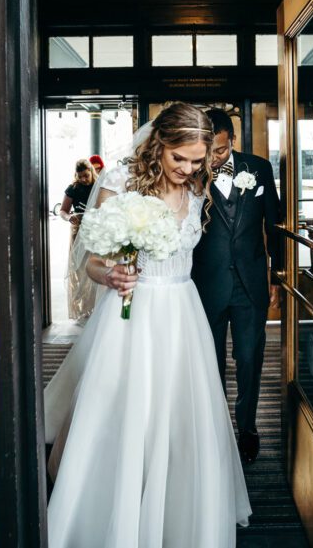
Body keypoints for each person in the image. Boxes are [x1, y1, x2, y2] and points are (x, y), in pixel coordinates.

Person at [44, 103, 251, 547]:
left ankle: (178, 512)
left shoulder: (198, 187)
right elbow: (96, 262)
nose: (189, 168)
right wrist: (112, 274)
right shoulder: (120, 185)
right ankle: (119, 511)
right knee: (127, 409)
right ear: (159, 145)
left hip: (182, 312)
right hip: (133, 315)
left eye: (199, 161)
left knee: (182, 415)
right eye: (180, 158)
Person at [192, 108, 283, 465]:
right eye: (208, 150)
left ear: (232, 140)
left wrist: (276, 274)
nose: (213, 158)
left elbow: (273, 225)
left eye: (220, 150)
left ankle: (248, 428)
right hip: (205, 284)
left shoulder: (259, 169)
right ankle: (215, 431)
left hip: (250, 284)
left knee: (249, 359)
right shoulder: (190, 171)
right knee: (210, 364)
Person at [60, 159, 96, 321]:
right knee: (79, 268)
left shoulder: (98, 186)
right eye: (80, 176)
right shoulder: (73, 189)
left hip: (96, 231)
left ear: (91, 171)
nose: (83, 179)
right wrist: (69, 217)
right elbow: (63, 211)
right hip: (78, 231)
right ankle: (81, 308)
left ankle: (94, 306)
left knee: (95, 265)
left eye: (86, 176)